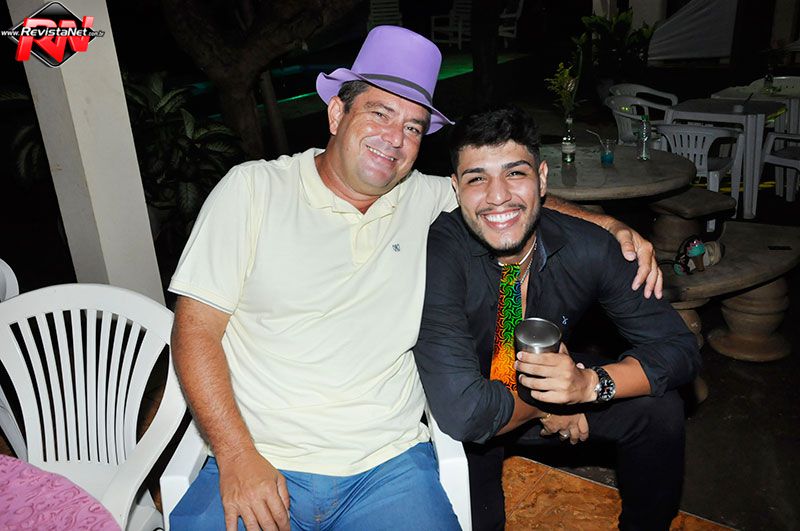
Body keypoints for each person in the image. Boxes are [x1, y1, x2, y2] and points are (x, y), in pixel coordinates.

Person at [167, 26, 663, 530]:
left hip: (388, 467)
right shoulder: (253, 190)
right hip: (259, 458)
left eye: (412, 126)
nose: (394, 138)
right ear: (337, 114)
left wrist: (609, 225)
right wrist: (235, 454)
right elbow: (194, 330)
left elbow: (508, 198)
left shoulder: (424, 199)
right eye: (380, 114)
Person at [414, 105, 701, 531]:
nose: (497, 196)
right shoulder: (440, 253)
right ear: (455, 188)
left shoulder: (589, 247)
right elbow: (464, 412)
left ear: (542, 179)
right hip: (475, 406)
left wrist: (588, 385)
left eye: (515, 173)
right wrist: (548, 403)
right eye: (477, 178)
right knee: (480, 516)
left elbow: (679, 348)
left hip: (555, 381)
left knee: (660, 410)